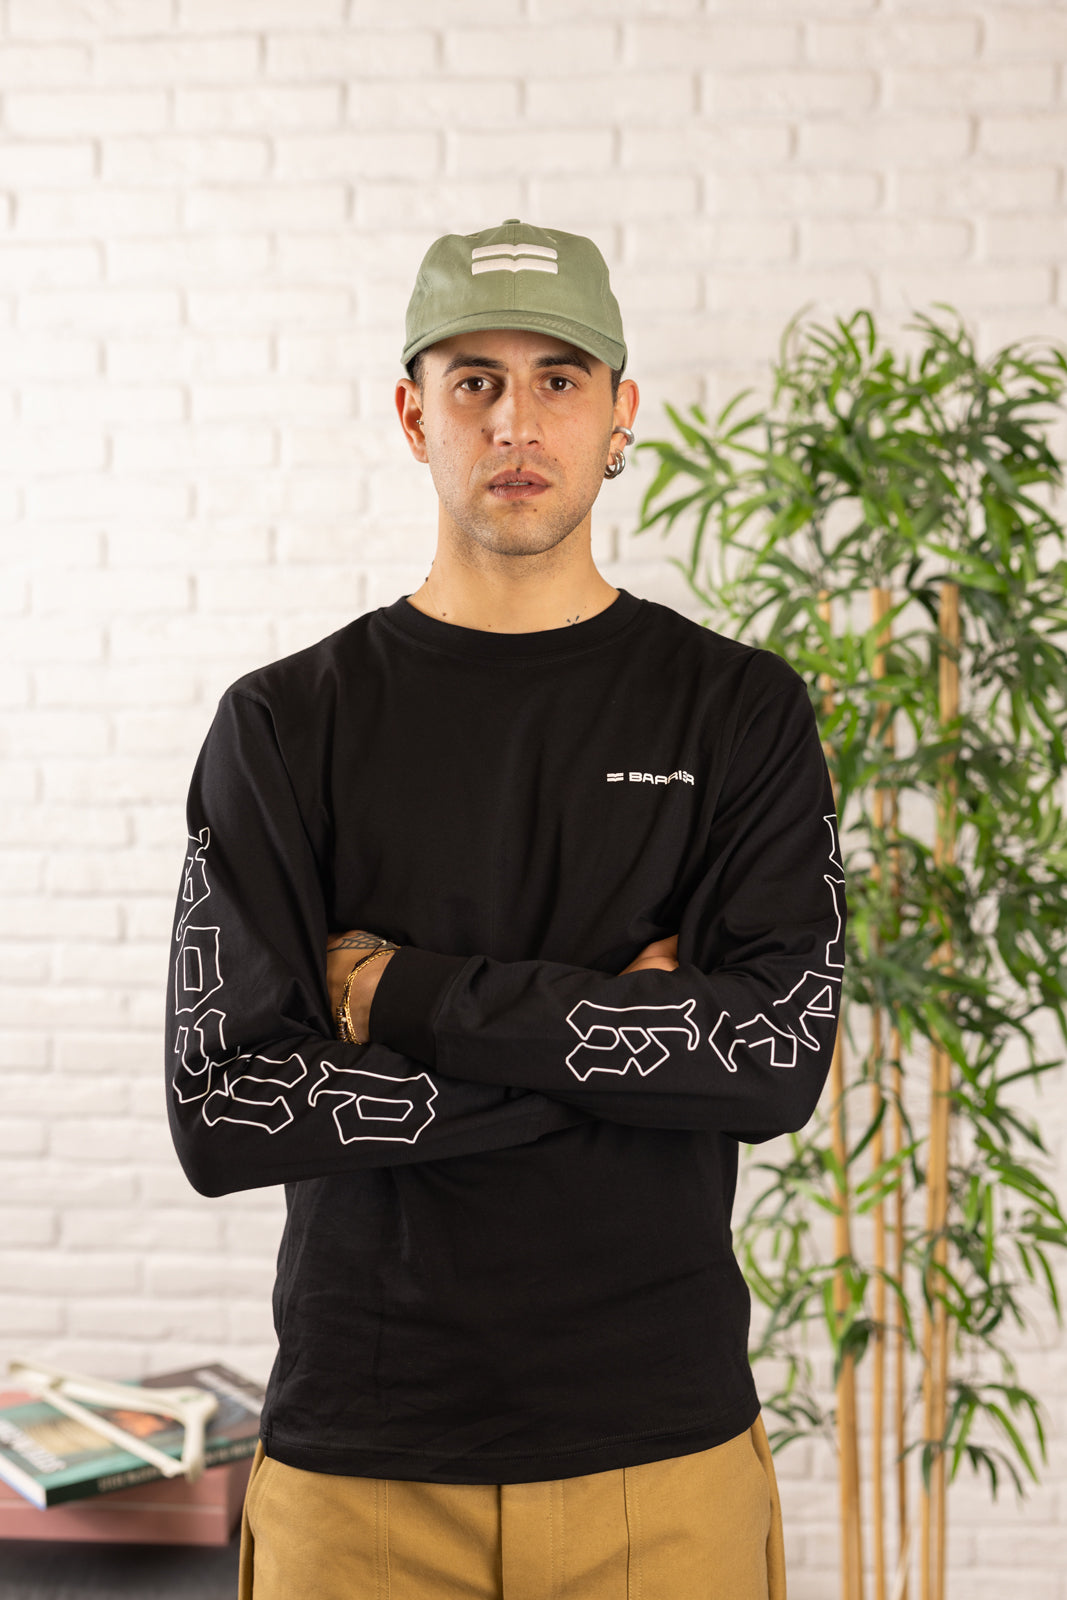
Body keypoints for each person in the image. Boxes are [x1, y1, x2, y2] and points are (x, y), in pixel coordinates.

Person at [165, 219, 844, 1599]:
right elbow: (229, 1109)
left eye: (559, 379)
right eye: (473, 380)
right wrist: (623, 1049)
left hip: (663, 1469)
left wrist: (397, 995)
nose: (516, 420)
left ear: (620, 414)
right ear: (415, 416)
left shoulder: (740, 710)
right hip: (361, 1476)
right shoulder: (285, 724)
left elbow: (769, 1064)